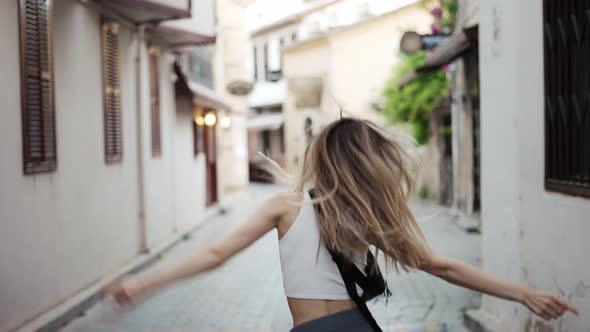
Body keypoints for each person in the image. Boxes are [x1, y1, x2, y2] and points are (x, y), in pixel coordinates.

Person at [104, 118, 579, 331]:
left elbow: (214, 255)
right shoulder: (361, 217)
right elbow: (443, 266)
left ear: (322, 157)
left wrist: (144, 282)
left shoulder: (283, 207)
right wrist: (522, 294)